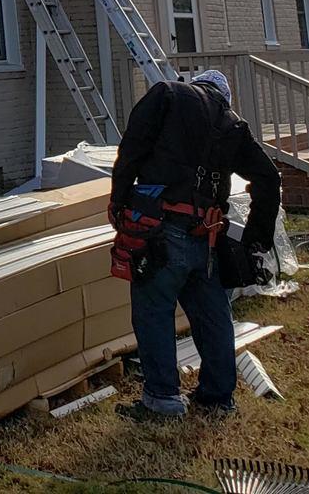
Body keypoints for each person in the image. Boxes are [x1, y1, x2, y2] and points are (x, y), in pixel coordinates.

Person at [109, 68, 281, 421]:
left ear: (199, 85)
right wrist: (255, 240)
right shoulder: (234, 125)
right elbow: (269, 177)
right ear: (223, 97)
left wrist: (119, 199)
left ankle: (162, 400)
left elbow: (132, 147)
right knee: (212, 314)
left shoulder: (168, 95)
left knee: (154, 310)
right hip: (206, 236)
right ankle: (218, 399)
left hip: (159, 228)